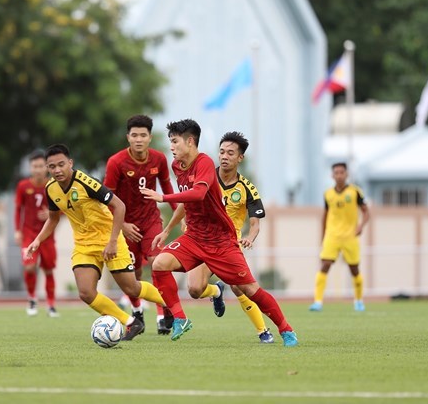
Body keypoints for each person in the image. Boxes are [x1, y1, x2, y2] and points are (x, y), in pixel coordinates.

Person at [141, 119, 298, 346]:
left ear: (190, 141)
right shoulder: (178, 166)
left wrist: (163, 198)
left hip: (221, 242)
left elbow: (198, 194)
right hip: (194, 237)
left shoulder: (204, 163)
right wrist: (167, 230)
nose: (171, 147)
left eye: (175, 142)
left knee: (249, 289)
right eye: (171, 142)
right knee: (161, 265)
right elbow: (187, 202)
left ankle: (285, 329)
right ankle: (180, 318)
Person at [24, 144, 172, 341]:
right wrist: (37, 240)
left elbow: (119, 206)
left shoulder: (86, 183)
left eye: (61, 164)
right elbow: (53, 218)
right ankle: (130, 323)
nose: (57, 170)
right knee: (85, 292)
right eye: (52, 166)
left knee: (132, 288)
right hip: (84, 245)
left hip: (109, 239)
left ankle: (171, 304)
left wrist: (112, 242)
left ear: (70, 163)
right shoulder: (51, 189)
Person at [186, 131, 274, 343]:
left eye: (230, 153)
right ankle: (216, 291)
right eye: (222, 152)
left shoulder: (247, 188)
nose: (224, 156)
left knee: (239, 286)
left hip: (228, 244)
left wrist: (250, 238)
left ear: (240, 158)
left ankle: (263, 331)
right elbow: (189, 201)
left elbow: (255, 224)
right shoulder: (205, 178)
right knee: (195, 289)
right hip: (202, 239)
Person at [104, 114, 177, 335]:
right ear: (128, 137)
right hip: (127, 226)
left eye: (142, 135)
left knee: (157, 262)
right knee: (133, 276)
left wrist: (181, 217)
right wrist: (123, 224)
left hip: (151, 220)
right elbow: (106, 199)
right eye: (134, 135)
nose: (138, 139)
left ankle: (164, 314)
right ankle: (137, 312)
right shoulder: (116, 162)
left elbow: (167, 189)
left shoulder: (159, 159)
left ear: (150, 137)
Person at [309, 162, 370, 312]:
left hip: (350, 236)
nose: (339, 175)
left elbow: (366, 211)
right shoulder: (328, 194)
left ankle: (358, 301)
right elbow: (325, 215)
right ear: (332, 175)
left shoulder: (355, 192)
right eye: (336, 173)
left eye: (342, 172)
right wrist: (323, 236)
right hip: (333, 235)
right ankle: (317, 301)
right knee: (325, 265)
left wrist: (360, 226)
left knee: (354, 269)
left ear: (346, 174)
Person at [15, 150, 59, 317]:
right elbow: (18, 209)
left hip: (47, 236)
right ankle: (32, 298)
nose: (38, 169)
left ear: (47, 168)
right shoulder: (23, 186)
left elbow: (63, 208)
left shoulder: (53, 186)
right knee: (29, 266)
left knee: (48, 270)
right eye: (35, 166)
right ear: (30, 168)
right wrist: (17, 231)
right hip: (28, 234)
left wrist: (51, 213)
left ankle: (51, 305)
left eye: (41, 166)